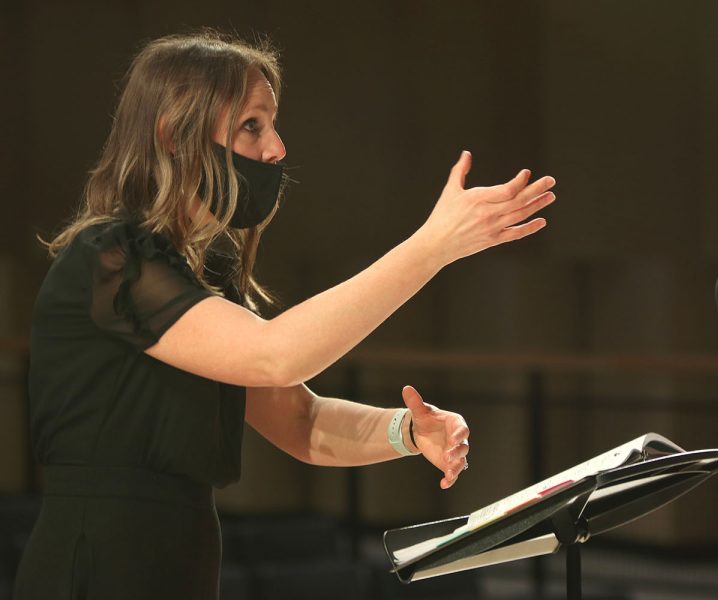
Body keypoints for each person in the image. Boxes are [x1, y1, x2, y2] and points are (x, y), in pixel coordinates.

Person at [13, 31, 556, 599]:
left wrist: (407, 431)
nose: (277, 149)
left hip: (181, 555)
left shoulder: (200, 271)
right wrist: (432, 247)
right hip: (98, 561)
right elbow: (275, 355)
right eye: (253, 125)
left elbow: (301, 420)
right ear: (174, 134)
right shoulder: (112, 257)